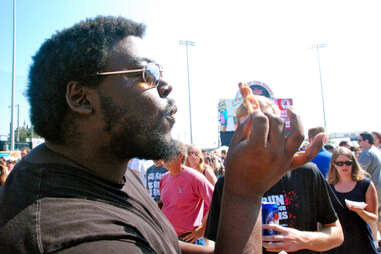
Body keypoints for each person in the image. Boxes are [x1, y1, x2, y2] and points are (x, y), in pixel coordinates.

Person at [0, 16, 318, 253]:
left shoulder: (110, 173)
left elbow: (158, 244)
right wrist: (245, 193)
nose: (166, 87)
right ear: (81, 97)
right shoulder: (70, 236)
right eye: (148, 75)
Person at [205, 96, 343, 254]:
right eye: (252, 129)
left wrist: (303, 239)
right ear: (239, 133)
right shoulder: (228, 184)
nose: (259, 137)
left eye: (267, 127)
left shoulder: (307, 172)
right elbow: (221, 248)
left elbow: (336, 234)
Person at [325, 147, 378, 253]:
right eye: (340, 163)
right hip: (336, 244)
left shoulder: (365, 185)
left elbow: (373, 218)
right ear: (333, 164)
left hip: (361, 242)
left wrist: (360, 211)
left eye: (348, 162)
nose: (344, 166)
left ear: (353, 163)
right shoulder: (327, 186)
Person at [160, 142, 214, 245]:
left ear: (180, 155)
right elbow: (164, 204)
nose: (163, 157)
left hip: (190, 239)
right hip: (169, 238)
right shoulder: (164, 178)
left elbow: (216, 203)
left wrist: (202, 229)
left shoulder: (196, 178)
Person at [358, 131, 381, 243]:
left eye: (360, 140)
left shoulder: (366, 154)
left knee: (370, 216)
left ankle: (374, 242)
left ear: (366, 141)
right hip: (378, 186)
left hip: (371, 189)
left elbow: (359, 172)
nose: (358, 143)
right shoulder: (376, 150)